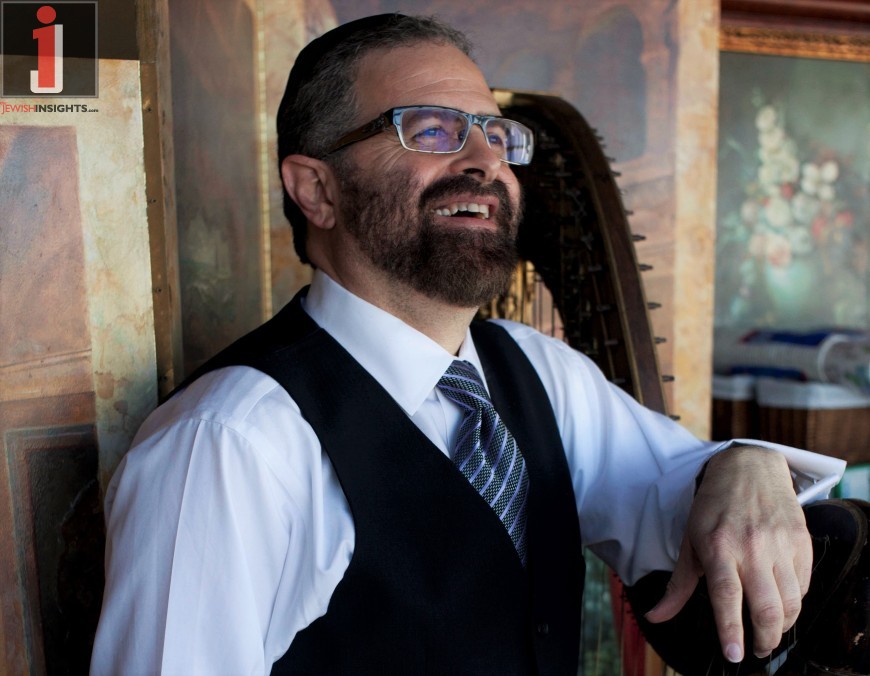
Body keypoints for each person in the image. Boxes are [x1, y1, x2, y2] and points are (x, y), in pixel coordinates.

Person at [90, 13, 864, 675]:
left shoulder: (537, 370)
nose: (486, 162)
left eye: (497, 136)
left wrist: (746, 464)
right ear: (316, 189)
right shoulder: (226, 443)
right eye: (432, 130)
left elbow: (675, 497)